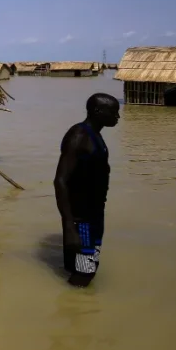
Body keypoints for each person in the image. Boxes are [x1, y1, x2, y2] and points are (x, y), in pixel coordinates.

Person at [54, 93, 120, 287]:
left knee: (85, 265)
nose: (117, 117)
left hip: (93, 214)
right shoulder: (79, 136)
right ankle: (76, 311)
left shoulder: (96, 136)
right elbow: (60, 181)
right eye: (114, 112)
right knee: (85, 272)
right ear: (98, 112)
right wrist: (69, 225)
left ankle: (70, 307)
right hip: (81, 218)